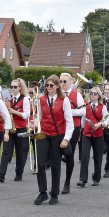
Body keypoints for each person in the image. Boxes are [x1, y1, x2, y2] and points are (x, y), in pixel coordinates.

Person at [34, 75, 73, 205]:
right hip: (44, 134)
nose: (49, 87)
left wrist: (66, 139)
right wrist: (33, 124)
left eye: (51, 85)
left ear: (57, 86)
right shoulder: (41, 99)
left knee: (56, 165)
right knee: (40, 164)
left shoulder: (64, 100)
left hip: (57, 136)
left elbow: (69, 122)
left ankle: (54, 194)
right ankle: (43, 192)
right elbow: (39, 116)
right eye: (47, 85)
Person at [0, 78, 30, 182]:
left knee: (21, 152)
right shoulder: (8, 99)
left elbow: (26, 115)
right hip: (9, 127)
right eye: (11, 87)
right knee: (6, 151)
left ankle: (19, 173)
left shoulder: (25, 99)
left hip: (21, 128)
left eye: (15, 87)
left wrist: (13, 111)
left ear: (20, 88)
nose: (12, 89)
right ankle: (1, 175)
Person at [77, 87, 109, 187]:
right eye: (91, 93)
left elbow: (107, 120)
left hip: (98, 134)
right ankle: (83, 179)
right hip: (86, 134)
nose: (93, 95)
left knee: (97, 157)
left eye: (95, 94)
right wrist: (80, 130)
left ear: (99, 95)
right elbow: (82, 119)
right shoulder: (86, 106)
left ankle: (96, 177)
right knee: (85, 156)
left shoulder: (102, 107)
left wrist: (100, 125)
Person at [59, 73, 85, 194]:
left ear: (70, 82)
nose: (62, 84)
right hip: (60, 127)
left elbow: (83, 111)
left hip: (74, 127)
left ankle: (67, 182)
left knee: (69, 154)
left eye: (65, 81)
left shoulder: (76, 94)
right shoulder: (58, 94)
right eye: (61, 81)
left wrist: (69, 112)